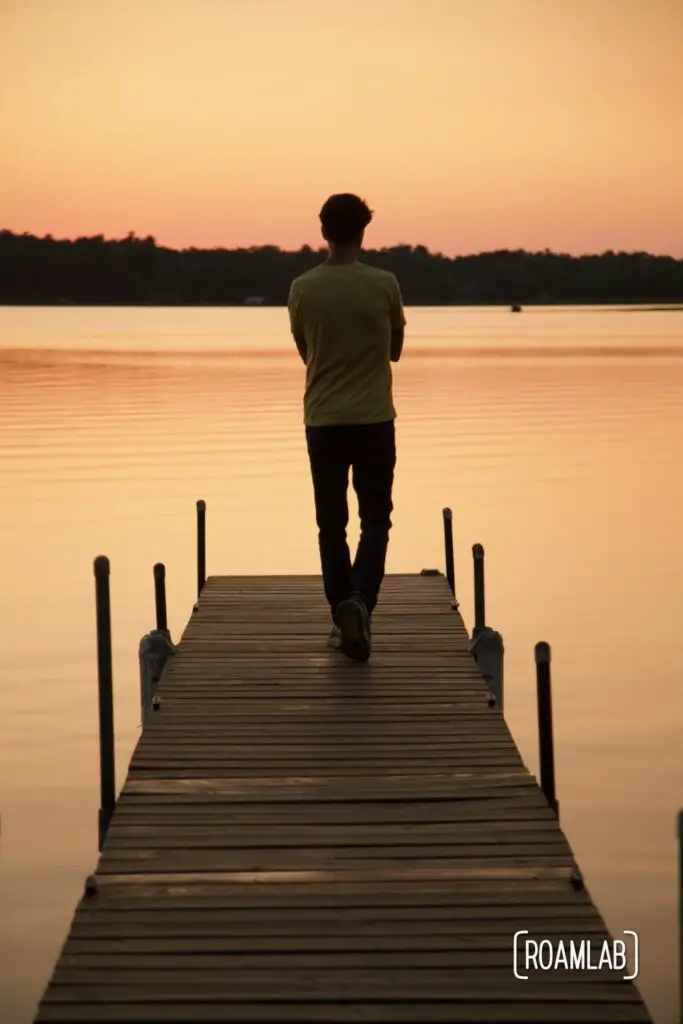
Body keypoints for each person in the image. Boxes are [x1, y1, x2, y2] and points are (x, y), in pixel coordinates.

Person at [287, 193, 406, 662]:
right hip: (375, 419)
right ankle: (361, 603)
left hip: (324, 421)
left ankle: (342, 613)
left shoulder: (302, 288)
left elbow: (307, 352)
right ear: (363, 231)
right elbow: (395, 349)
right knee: (375, 519)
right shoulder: (384, 284)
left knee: (330, 524)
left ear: (323, 230)